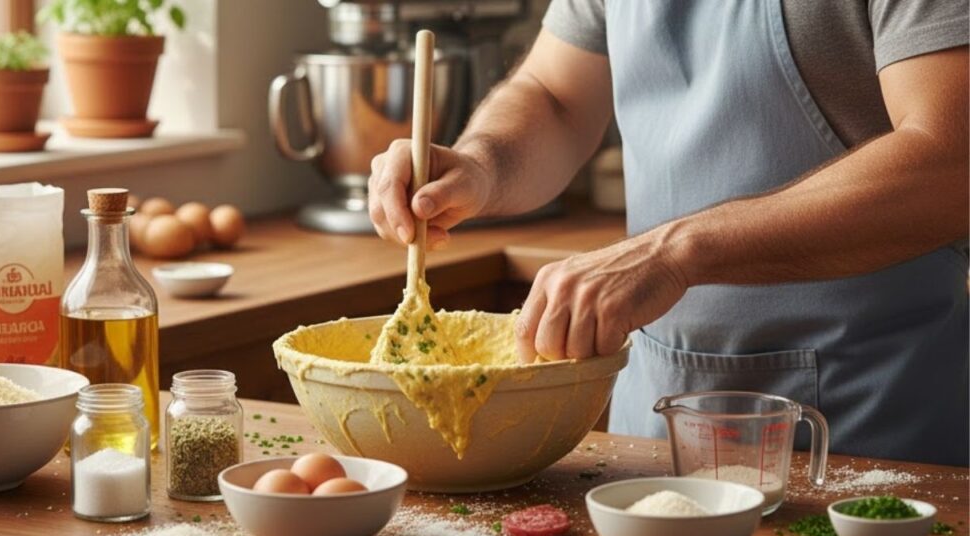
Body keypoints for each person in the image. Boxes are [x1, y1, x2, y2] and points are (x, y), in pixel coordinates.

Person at [367, 1, 969, 466]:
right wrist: (481, 164)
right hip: (656, 424)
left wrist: (674, 252)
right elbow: (554, 95)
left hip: (866, 431)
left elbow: (952, 160)